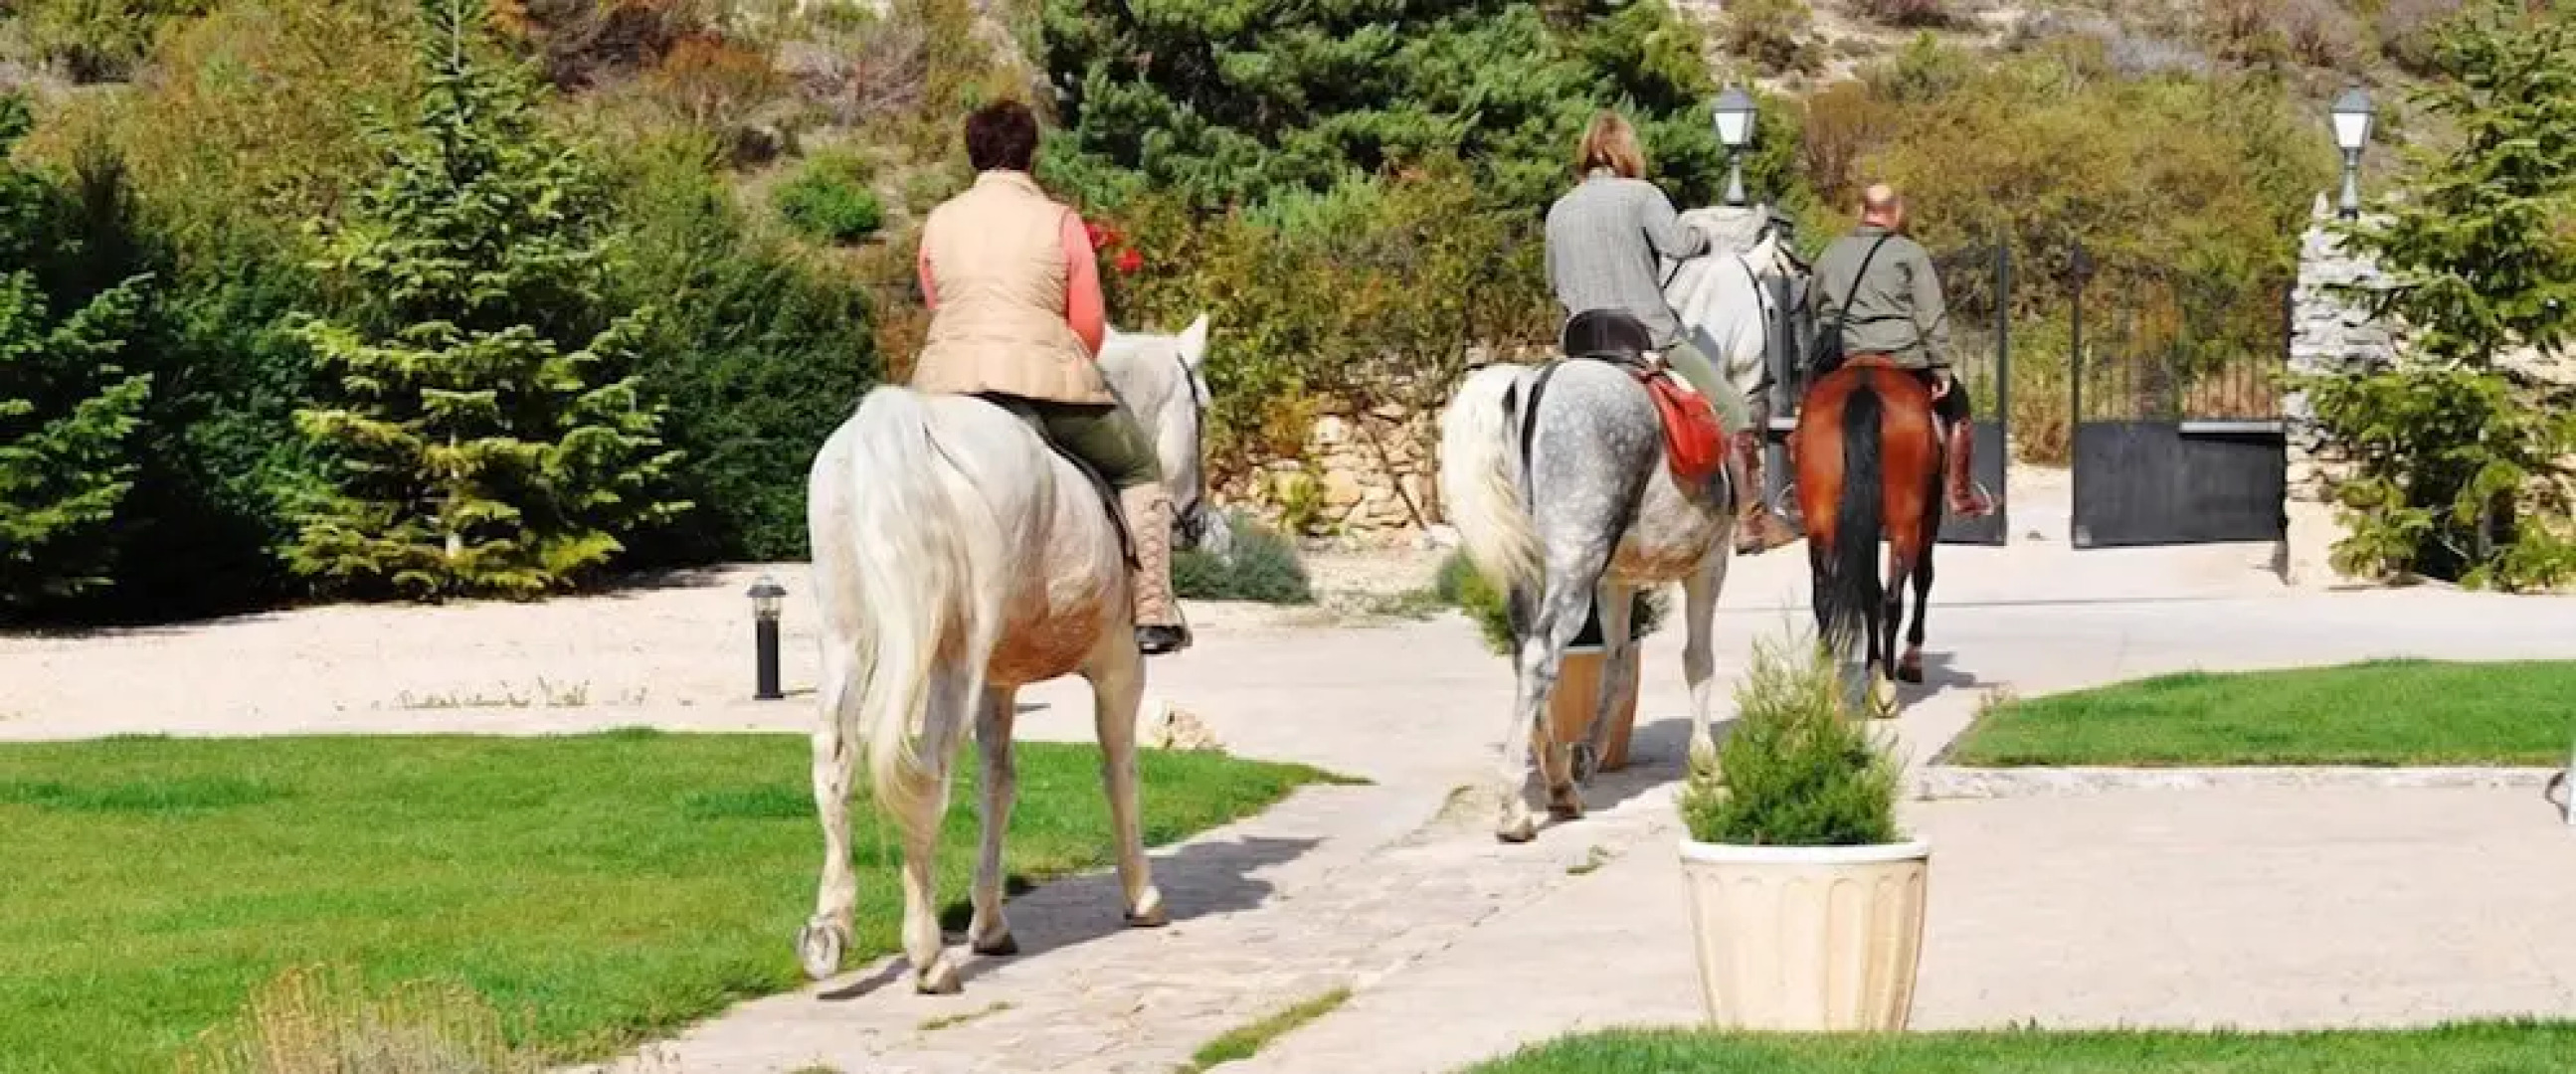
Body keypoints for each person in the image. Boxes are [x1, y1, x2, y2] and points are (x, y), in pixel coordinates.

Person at [909, 99, 1191, 655]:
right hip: (1042, 380)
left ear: (973, 154)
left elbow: (936, 301)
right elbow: (1087, 326)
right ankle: (1154, 610)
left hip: (944, 383)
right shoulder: (1060, 222)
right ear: (1031, 155)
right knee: (1138, 467)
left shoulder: (939, 221)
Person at [1543, 110, 1796, 554]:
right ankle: (1752, 520)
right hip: (1645, 335)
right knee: (1733, 408)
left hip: (1580, 341)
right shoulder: (1642, 195)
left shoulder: (1560, 209)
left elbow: (1553, 282)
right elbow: (1680, 245)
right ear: (1627, 151)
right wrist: (1701, 237)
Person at [1807, 183, 1993, 518]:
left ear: (1861, 211)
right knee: (1958, 406)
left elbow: (1813, 304)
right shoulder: (1911, 254)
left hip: (1842, 355)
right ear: (1896, 213)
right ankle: (1959, 492)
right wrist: (1941, 368)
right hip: (1902, 356)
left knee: (1808, 412)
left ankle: (1799, 489)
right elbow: (1930, 315)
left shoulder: (1831, 252)